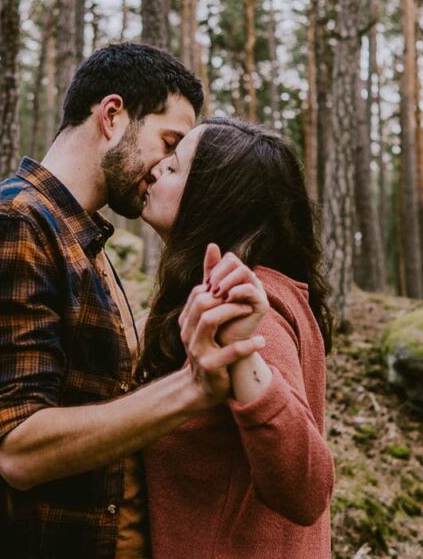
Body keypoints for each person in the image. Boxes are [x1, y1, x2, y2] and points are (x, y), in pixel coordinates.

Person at [0, 44, 267, 557]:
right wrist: (193, 388)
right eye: (168, 142)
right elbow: (20, 449)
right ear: (112, 116)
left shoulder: (79, 239)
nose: (165, 168)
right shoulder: (16, 223)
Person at [139, 116, 336, 558]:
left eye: (173, 167)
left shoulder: (251, 311)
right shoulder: (248, 296)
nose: (155, 169)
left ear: (214, 200)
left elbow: (307, 488)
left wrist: (243, 353)